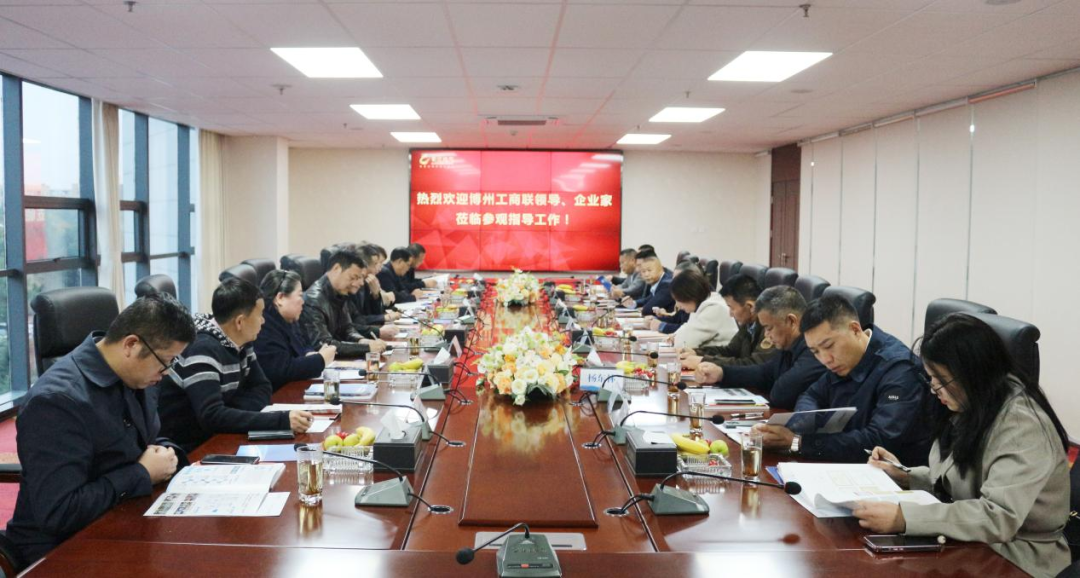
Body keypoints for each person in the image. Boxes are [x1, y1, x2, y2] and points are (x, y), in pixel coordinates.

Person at [856, 314, 1070, 578]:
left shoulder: (1021, 425)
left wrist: (904, 518)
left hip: (1017, 556)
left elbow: (998, 516)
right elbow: (965, 480)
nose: (934, 389)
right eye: (931, 378)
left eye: (942, 380)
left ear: (974, 372)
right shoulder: (975, 403)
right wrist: (907, 476)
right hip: (974, 542)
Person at [7, 294, 197, 568]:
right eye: (165, 361)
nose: (166, 372)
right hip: (62, 549)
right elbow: (60, 512)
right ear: (131, 345)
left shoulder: (139, 377)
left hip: (124, 519)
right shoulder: (57, 402)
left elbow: (142, 439)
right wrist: (141, 473)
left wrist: (170, 455)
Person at [751, 294, 931, 465]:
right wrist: (804, 423)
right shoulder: (843, 360)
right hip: (843, 462)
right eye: (815, 352)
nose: (825, 359)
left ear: (855, 329)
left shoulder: (900, 369)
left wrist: (798, 442)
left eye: (829, 346)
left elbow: (879, 440)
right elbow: (811, 395)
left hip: (890, 476)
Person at [158, 278, 314, 451]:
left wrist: (230, 413)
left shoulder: (241, 341)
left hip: (221, 435)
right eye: (260, 315)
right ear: (240, 322)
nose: (263, 321)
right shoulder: (202, 349)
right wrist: (281, 420)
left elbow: (262, 387)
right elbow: (212, 416)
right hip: (190, 448)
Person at [694, 286, 827, 409]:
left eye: (769, 328)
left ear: (791, 321)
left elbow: (781, 394)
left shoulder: (815, 350)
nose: (767, 335)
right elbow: (765, 373)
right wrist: (722, 374)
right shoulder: (788, 345)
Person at [254, 270, 337, 391]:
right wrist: (321, 360)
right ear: (280, 298)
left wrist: (309, 354)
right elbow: (283, 370)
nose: (303, 301)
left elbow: (305, 342)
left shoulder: (289, 318)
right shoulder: (263, 326)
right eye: (300, 295)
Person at [300, 247, 388, 357]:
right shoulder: (313, 300)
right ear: (336, 268)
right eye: (353, 277)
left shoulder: (340, 292)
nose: (360, 283)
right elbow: (323, 344)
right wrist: (367, 348)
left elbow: (347, 329)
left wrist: (362, 341)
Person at [680, 273, 776, 370]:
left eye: (732, 308)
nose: (730, 314)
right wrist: (697, 352)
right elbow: (730, 351)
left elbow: (753, 365)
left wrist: (703, 361)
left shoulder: (770, 327)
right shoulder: (749, 323)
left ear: (750, 307)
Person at [667, 269, 738, 350]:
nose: (678, 305)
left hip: (721, 356)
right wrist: (675, 336)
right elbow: (689, 326)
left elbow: (685, 344)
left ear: (689, 295)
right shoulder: (702, 303)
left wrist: (677, 338)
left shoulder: (714, 309)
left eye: (679, 300)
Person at [619, 249, 673, 314]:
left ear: (660, 269)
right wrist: (633, 303)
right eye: (643, 271)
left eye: (649, 270)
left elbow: (648, 309)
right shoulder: (656, 282)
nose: (646, 274)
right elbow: (648, 299)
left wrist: (644, 308)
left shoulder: (666, 284)